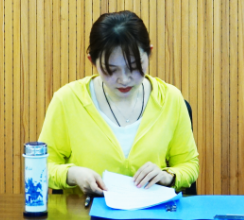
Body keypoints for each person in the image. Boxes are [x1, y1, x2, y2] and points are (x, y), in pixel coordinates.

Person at [38, 11, 199, 196]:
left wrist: (167, 176)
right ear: (92, 61)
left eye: (134, 67)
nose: (124, 79)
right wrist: (72, 174)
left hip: (152, 210)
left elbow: (189, 164)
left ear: (149, 53)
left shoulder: (170, 99)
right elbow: (42, 166)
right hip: (87, 210)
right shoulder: (68, 100)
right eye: (111, 70)